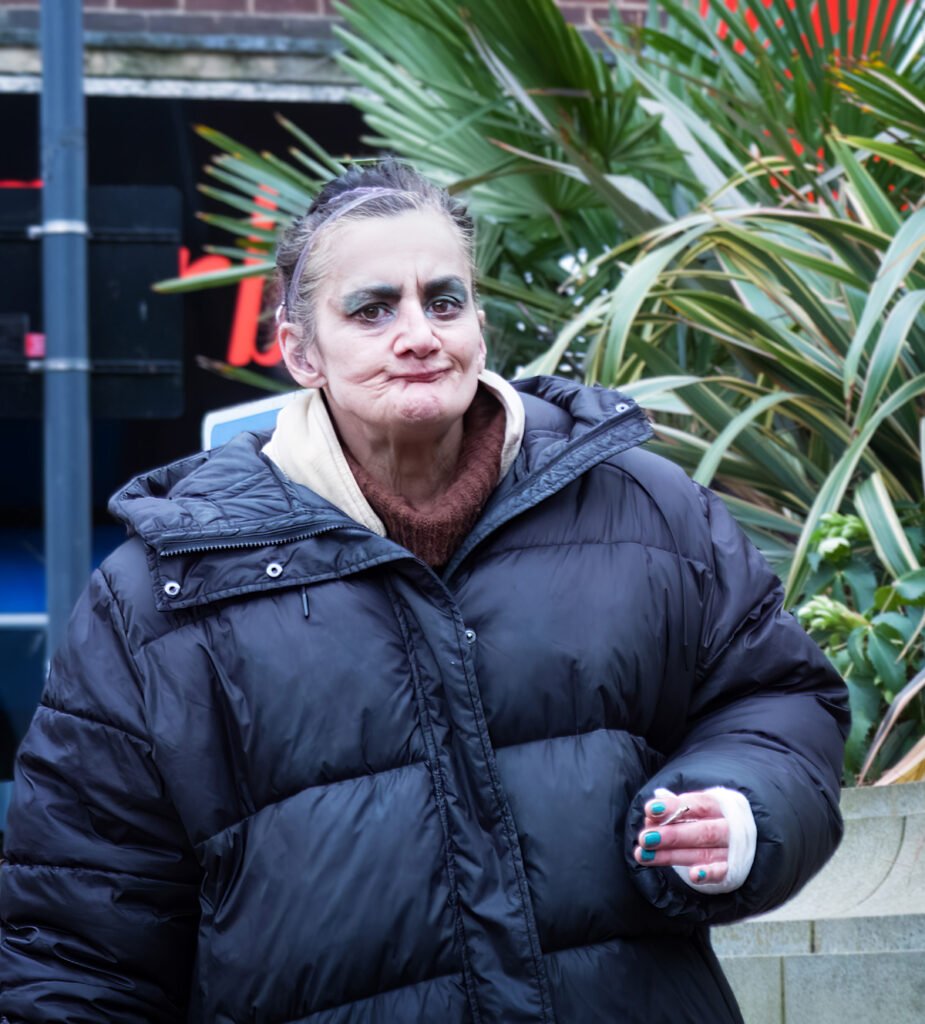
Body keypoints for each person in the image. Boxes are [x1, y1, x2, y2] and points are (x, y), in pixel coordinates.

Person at [0, 160, 849, 1023]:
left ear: (478, 322)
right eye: (372, 310)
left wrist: (742, 810)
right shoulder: (158, 596)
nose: (418, 334)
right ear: (300, 351)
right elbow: (78, 935)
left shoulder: (646, 508)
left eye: (444, 301)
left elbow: (777, 698)